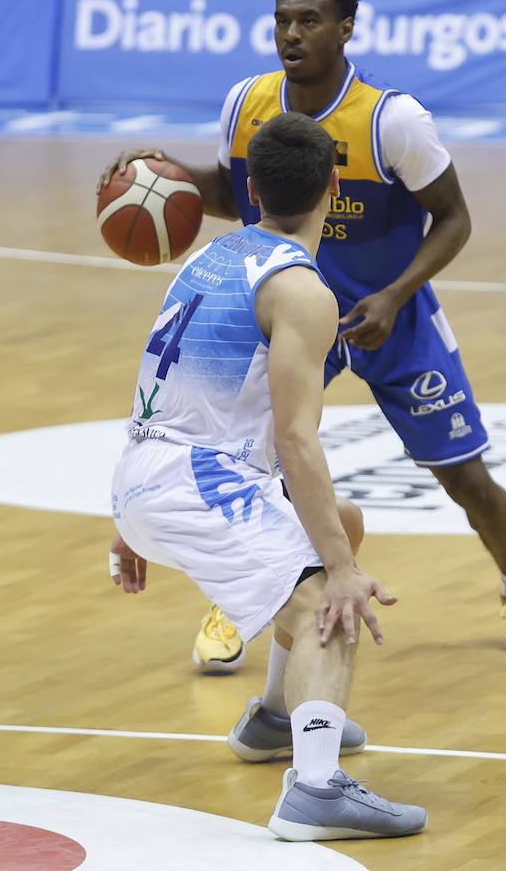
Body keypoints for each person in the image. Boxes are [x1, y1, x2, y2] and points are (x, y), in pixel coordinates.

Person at [98, 0, 506, 674]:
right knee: (258, 466)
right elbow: (240, 192)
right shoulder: (247, 102)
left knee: (464, 475)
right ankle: (251, 594)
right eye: (283, 20)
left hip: (389, 313)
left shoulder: (391, 119)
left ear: (346, 28)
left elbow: (456, 218)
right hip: (289, 311)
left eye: (308, 21)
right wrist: (170, 175)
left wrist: (396, 294)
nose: (291, 33)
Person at [108, 112, 426, 841]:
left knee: (339, 522)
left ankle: (277, 719)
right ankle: (315, 790)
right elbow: (294, 437)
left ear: (249, 189)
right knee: (328, 602)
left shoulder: (207, 259)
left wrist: (129, 519)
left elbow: (160, 391)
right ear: (335, 188)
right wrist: (342, 573)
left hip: (143, 470)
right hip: (197, 482)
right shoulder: (302, 293)